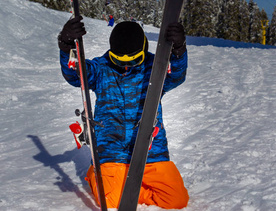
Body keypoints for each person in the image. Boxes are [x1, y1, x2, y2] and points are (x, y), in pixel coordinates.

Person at [58, 17, 189, 209]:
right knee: (111, 202)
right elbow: (74, 73)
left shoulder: (156, 67)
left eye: (134, 60)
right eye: (120, 61)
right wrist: (66, 45)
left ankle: (127, 186)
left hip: (151, 152)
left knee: (176, 200)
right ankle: (99, 175)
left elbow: (176, 75)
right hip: (113, 151)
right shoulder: (101, 68)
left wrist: (179, 50)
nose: (127, 66)